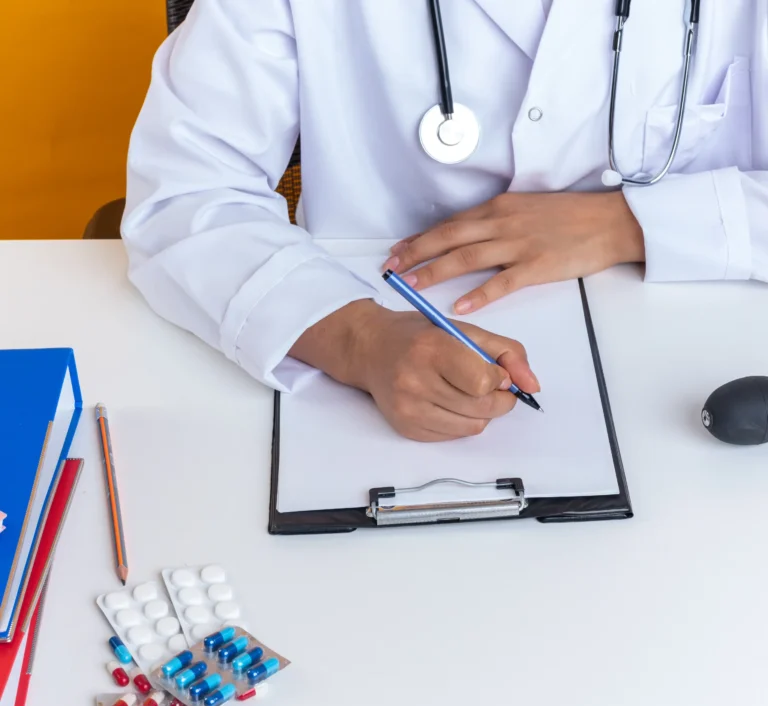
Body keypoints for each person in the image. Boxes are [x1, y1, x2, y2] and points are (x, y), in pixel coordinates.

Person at [121, 0, 767, 442]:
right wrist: (357, 339)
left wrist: (625, 224)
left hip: (686, 382)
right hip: (368, 364)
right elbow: (185, 186)